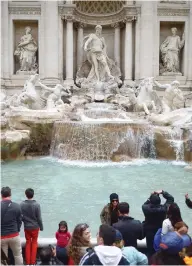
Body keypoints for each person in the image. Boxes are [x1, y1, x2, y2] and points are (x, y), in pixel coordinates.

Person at [142, 189, 174, 257]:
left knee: (150, 248)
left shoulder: (145, 208)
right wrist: (162, 192)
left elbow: (145, 203)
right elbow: (171, 199)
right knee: (158, 248)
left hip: (148, 231)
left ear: (150, 202)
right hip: (160, 230)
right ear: (159, 202)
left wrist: (151, 196)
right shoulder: (164, 209)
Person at [20, 188, 43, 265]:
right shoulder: (37, 204)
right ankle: (33, 262)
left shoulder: (22, 204)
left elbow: (20, 216)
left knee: (28, 243)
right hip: (35, 227)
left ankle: (27, 262)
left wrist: (24, 222)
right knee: (34, 243)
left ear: (26, 195)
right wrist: (41, 227)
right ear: (33, 194)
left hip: (27, 227)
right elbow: (39, 218)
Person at [1, 186, 23, 265]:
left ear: (1, 195)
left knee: (3, 258)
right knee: (18, 255)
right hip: (14, 235)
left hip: (2, 237)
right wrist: (16, 230)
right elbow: (19, 221)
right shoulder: (16, 206)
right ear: (10, 194)